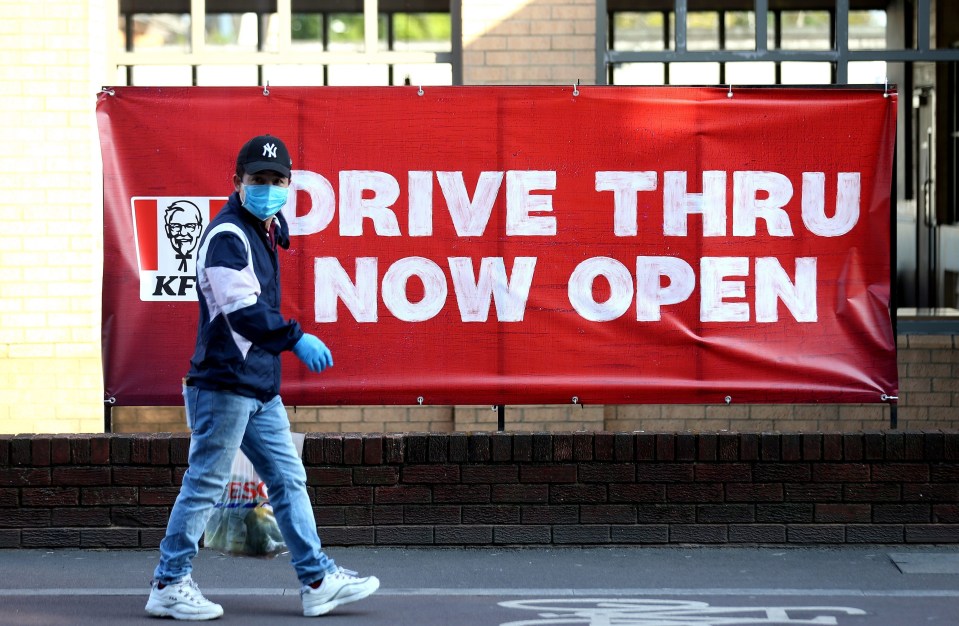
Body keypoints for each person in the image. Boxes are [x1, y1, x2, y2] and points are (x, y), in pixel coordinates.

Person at [146, 134, 379, 620]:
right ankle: (168, 583)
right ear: (237, 182)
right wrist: (296, 338)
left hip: (256, 386)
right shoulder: (229, 235)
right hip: (224, 384)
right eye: (259, 180)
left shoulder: (264, 230)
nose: (268, 188)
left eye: (276, 181)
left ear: (289, 184)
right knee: (206, 484)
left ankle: (316, 581)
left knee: (288, 480)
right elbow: (242, 310)